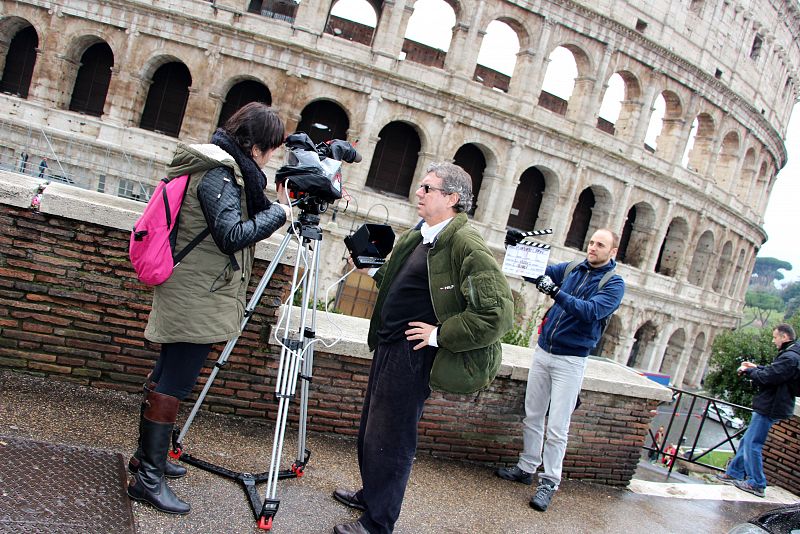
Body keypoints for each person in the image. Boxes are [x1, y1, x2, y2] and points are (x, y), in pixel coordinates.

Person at [126, 102, 292, 515]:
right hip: (196, 293)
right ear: (254, 144)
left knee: (167, 374)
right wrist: (279, 214)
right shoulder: (220, 173)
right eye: (269, 148)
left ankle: (148, 458)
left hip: (194, 287)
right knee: (174, 382)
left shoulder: (217, 165)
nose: (270, 157)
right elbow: (232, 235)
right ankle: (147, 479)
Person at [331, 162, 514, 534]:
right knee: (372, 429)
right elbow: (404, 284)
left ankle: (378, 523)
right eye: (421, 187)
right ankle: (372, 494)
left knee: (392, 438)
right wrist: (370, 271)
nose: (419, 192)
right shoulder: (422, 233)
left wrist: (439, 335)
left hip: (414, 355)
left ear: (451, 198)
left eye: (428, 189)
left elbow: (497, 315)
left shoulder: (467, 245)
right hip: (390, 345)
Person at [495, 228, 625, 512]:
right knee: (533, 414)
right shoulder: (571, 268)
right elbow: (533, 273)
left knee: (557, 427)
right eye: (591, 242)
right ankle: (526, 467)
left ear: (612, 251)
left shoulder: (614, 283)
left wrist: (555, 291)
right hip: (544, 351)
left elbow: (590, 311)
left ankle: (549, 482)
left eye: (600, 245)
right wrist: (515, 247)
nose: (592, 247)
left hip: (571, 359)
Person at [714, 323, 800, 498]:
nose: (773, 340)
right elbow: (774, 372)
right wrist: (755, 367)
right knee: (748, 439)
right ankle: (734, 473)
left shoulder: (790, 357)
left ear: (784, 337)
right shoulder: (791, 354)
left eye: (775, 337)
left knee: (753, 443)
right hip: (773, 404)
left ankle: (757, 483)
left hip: (771, 406)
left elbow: (768, 377)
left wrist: (749, 372)